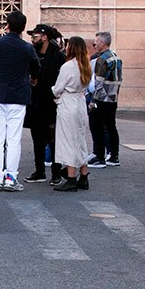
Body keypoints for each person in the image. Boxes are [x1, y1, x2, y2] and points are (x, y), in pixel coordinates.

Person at [0, 10, 39, 192]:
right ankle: (11, 177)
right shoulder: (27, 48)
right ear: (23, 28)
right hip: (18, 96)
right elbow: (36, 68)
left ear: (7, 25)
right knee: (13, 139)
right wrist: (32, 78)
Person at [24, 24, 65, 183]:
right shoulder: (32, 54)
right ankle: (39, 170)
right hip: (34, 102)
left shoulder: (58, 56)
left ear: (44, 37)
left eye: (35, 36)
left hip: (51, 104)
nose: (33, 39)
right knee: (37, 139)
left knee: (53, 139)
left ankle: (56, 173)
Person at [51, 36, 91, 191]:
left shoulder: (68, 66)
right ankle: (84, 175)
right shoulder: (86, 65)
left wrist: (52, 91)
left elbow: (58, 88)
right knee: (80, 139)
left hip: (68, 104)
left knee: (68, 140)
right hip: (80, 102)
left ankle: (71, 177)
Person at [89, 31, 122, 168]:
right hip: (113, 98)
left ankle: (99, 156)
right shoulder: (116, 58)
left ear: (102, 43)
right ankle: (113, 155)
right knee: (110, 126)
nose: (95, 45)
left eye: (96, 43)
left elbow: (99, 82)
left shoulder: (102, 60)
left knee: (96, 127)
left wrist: (93, 100)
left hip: (102, 98)